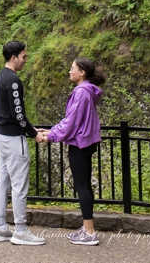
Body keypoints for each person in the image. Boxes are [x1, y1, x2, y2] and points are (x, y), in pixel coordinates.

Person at [40, 58, 105, 246]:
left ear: (82, 72)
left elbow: (72, 122)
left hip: (79, 144)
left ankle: (90, 232)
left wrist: (51, 136)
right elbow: (72, 119)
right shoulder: (87, 91)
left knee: (82, 186)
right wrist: (51, 131)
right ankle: (87, 228)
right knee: (85, 186)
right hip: (85, 142)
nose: (70, 71)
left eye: (72, 68)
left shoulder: (82, 92)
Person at [0, 40, 45, 245]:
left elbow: (14, 113)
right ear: (13, 57)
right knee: (19, 186)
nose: (26, 60)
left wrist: (32, 129)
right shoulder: (14, 80)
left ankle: (1, 228)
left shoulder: (1, 76)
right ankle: (21, 231)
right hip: (14, 140)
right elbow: (19, 114)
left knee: (3, 183)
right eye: (24, 56)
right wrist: (34, 134)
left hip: (1, 136)